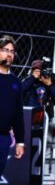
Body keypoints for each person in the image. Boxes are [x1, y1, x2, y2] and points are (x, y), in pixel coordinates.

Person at [0, 35, 24, 177]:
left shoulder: (16, 82)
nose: (9, 54)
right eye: (4, 50)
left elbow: (18, 114)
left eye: (12, 51)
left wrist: (20, 141)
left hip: (3, 138)